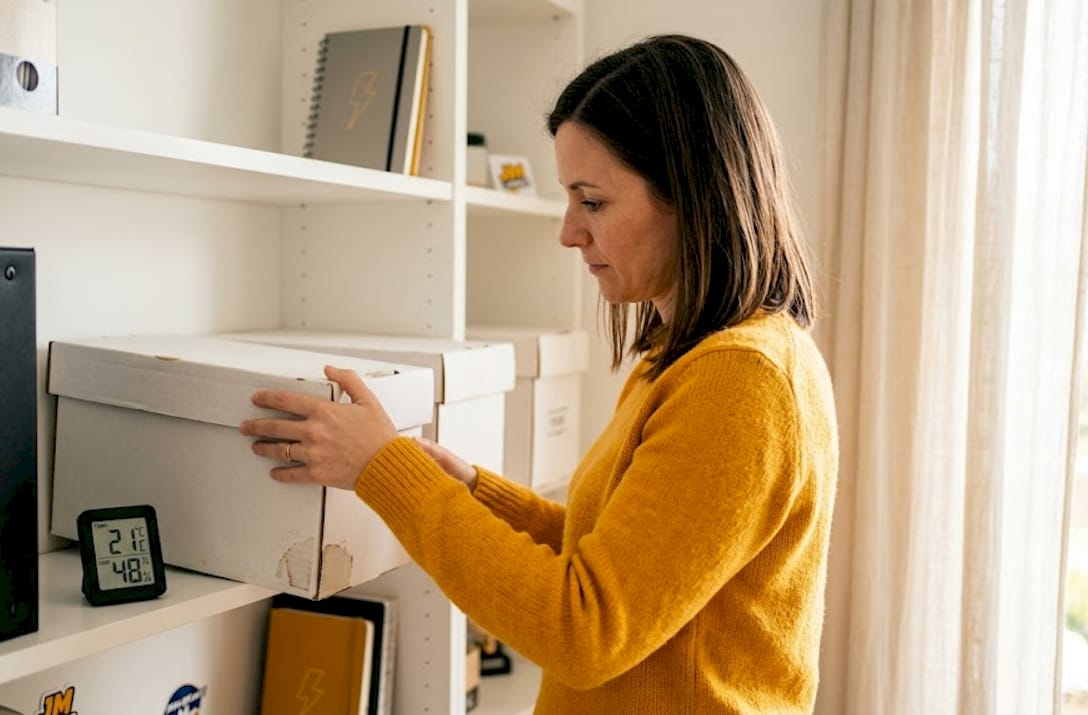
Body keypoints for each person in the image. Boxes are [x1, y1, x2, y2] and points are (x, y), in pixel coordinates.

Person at [239, 33, 838, 714]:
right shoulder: (690, 355)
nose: (568, 232)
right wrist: (472, 490)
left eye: (593, 201)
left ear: (690, 193)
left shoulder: (742, 380)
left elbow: (586, 627)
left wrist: (384, 470)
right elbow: (611, 555)